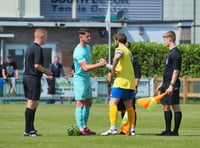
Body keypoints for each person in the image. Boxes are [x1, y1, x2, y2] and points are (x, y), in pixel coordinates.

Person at [73, 28, 107, 135]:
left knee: (88, 102)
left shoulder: (87, 48)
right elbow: (85, 68)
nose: (89, 38)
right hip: (80, 79)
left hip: (87, 79)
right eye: (87, 36)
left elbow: (88, 64)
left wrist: (99, 62)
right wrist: (99, 65)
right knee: (80, 103)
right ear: (81, 37)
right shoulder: (78, 51)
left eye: (89, 36)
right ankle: (80, 128)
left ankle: (85, 127)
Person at [101, 33, 136, 136]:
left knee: (112, 103)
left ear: (117, 40)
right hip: (130, 82)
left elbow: (117, 57)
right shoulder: (129, 52)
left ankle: (113, 128)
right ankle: (132, 129)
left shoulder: (119, 48)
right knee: (129, 106)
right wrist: (107, 65)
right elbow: (122, 67)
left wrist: (112, 66)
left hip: (121, 81)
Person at [23, 28, 52, 136]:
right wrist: (46, 71)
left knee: (34, 103)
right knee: (31, 103)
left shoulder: (29, 47)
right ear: (41, 37)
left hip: (27, 77)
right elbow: (37, 65)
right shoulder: (37, 49)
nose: (47, 39)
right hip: (32, 78)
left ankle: (31, 129)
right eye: (46, 36)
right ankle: (27, 130)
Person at [156, 31, 182, 136]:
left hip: (172, 84)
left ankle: (175, 131)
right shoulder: (170, 52)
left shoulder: (175, 53)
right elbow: (168, 70)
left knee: (175, 106)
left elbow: (176, 71)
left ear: (170, 39)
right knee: (165, 106)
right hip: (166, 83)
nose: (164, 42)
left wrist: (171, 85)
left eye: (164, 39)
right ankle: (167, 131)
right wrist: (162, 84)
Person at [117, 41, 141, 134]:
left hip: (130, 86)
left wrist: (135, 86)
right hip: (120, 86)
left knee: (131, 108)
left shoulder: (133, 61)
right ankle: (124, 128)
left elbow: (137, 75)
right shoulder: (120, 59)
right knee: (122, 109)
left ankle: (132, 127)